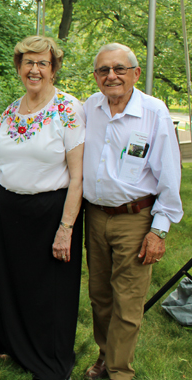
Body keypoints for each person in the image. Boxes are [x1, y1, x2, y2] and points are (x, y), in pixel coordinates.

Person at [0, 36, 85, 380]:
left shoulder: (68, 109)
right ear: (19, 67)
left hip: (50, 212)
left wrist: (66, 227)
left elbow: (77, 177)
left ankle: (49, 357)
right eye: (28, 62)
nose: (35, 69)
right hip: (9, 210)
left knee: (49, 292)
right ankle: (14, 345)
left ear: (54, 69)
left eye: (43, 63)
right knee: (13, 283)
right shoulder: (11, 110)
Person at [83, 43, 183, 380]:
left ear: (135, 73)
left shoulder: (154, 112)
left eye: (119, 69)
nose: (111, 76)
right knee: (100, 297)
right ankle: (104, 356)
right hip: (95, 217)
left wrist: (159, 229)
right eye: (103, 70)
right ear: (96, 77)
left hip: (135, 219)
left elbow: (170, 174)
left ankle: (119, 372)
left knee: (127, 301)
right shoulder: (90, 108)